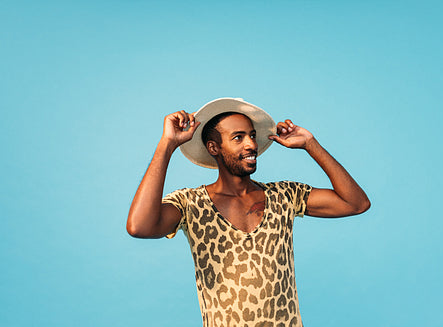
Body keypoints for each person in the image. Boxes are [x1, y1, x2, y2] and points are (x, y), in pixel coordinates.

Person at [127, 98, 370, 327]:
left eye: (252, 136)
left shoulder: (284, 195)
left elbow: (356, 203)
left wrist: (310, 144)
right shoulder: (191, 203)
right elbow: (140, 226)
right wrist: (167, 144)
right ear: (214, 147)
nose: (251, 144)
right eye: (238, 137)